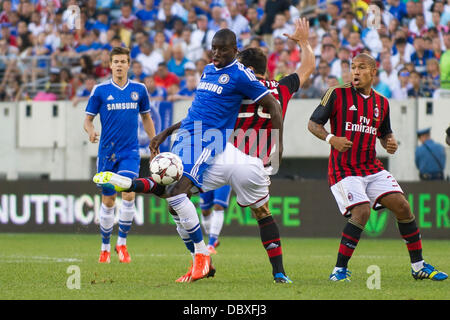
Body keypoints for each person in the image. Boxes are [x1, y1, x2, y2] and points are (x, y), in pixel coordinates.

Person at [95, 19, 315, 284]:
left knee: (177, 194)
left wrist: (279, 149)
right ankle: (276, 272)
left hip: (224, 152)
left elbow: (224, 112)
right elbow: (306, 69)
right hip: (245, 160)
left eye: (223, 50)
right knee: (256, 212)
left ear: (239, 58)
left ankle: (201, 255)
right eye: (214, 49)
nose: (216, 54)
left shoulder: (240, 80)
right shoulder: (277, 86)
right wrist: (303, 42)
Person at [307, 53, 448, 282]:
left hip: (371, 167)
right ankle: (339, 271)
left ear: (373, 72)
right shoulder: (337, 94)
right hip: (344, 169)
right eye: (353, 67)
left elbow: (384, 133)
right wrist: (331, 138)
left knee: (403, 207)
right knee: (361, 212)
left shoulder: (381, 102)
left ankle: (419, 266)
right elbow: (313, 124)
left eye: (361, 67)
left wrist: (389, 141)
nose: (355, 72)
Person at [84, 47, 157, 264]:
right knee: (108, 200)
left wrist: (154, 144)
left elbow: (146, 118)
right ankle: (105, 247)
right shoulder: (99, 90)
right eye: (115, 61)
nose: (118, 65)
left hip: (130, 151)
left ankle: (122, 244)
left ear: (128, 64)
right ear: (110, 65)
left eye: (122, 61)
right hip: (107, 153)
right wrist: (91, 131)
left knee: (128, 192)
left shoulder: (139, 89)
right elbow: (87, 120)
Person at [199, 185, 232, 254]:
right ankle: (213, 240)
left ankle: (211, 244)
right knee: (205, 211)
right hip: (206, 178)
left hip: (224, 178)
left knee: (218, 206)